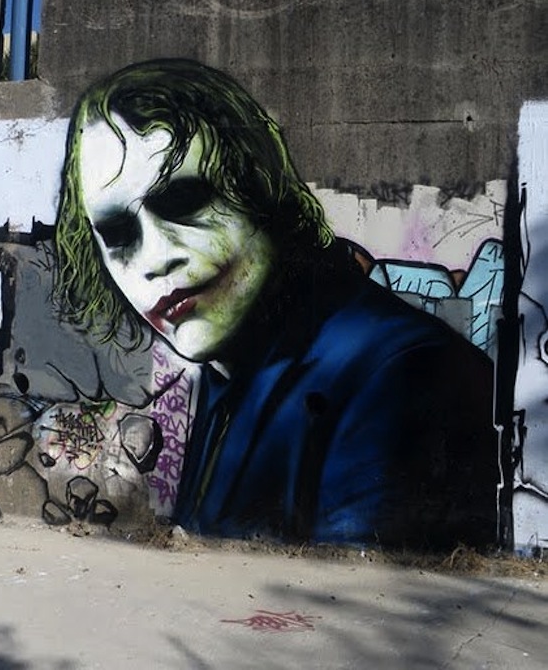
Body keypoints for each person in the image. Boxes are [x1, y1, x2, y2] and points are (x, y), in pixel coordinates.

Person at [54, 58, 499, 549]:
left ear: (257, 185)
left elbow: (357, 589)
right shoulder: (231, 369)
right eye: (118, 234)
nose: (155, 258)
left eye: (185, 200)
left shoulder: (401, 376)